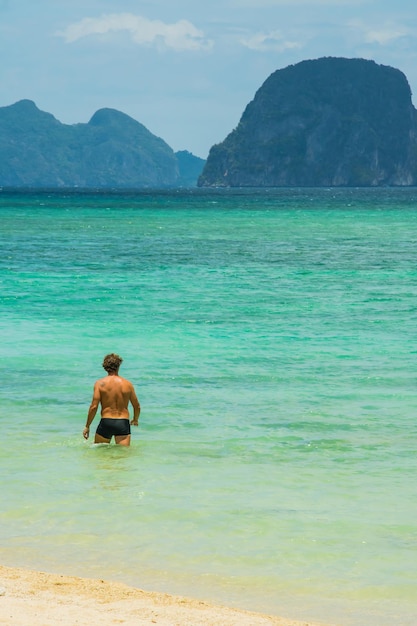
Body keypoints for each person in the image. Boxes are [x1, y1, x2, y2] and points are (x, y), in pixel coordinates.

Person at [83, 353, 140, 446]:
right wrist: (135, 419)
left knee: (101, 454)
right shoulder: (127, 384)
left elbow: (93, 407)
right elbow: (136, 406)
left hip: (106, 422)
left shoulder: (100, 384)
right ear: (118, 365)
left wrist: (87, 426)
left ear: (105, 367)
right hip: (123, 423)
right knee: (122, 456)